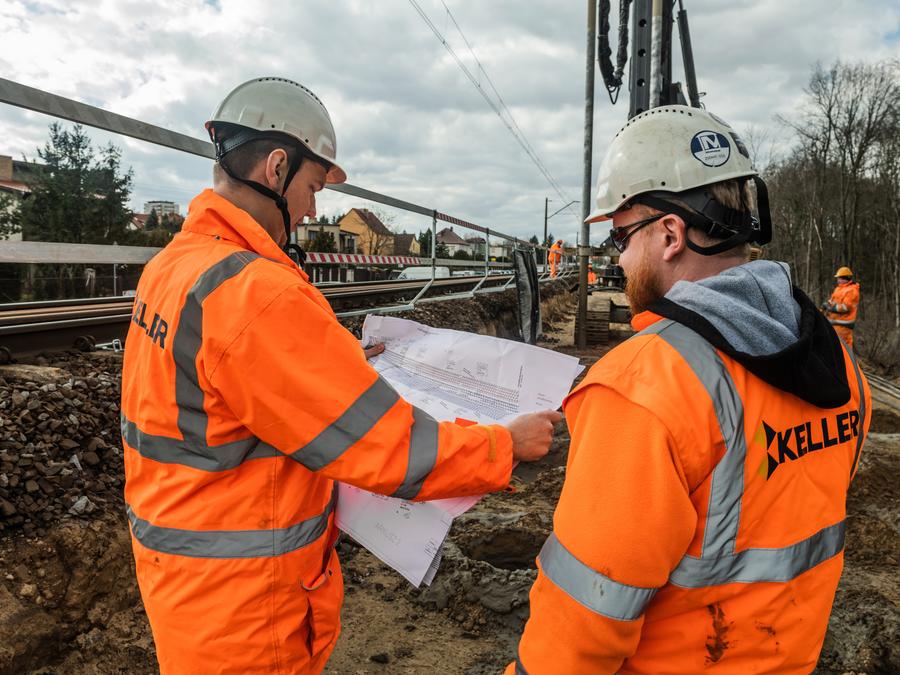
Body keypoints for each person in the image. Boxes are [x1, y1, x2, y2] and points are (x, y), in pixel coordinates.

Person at [120, 77, 561, 674]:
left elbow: (234, 389)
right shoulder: (258, 294)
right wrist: (505, 445)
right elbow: (389, 449)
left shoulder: (178, 265)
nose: (310, 209)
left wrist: (332, 366)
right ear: (276, 168)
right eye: (310, 187)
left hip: (183, 571)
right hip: (248, 605)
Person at [509, 106, 870, 674]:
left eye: (621, 236)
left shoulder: (642, 388)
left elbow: (580, 629)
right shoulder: (841, 369)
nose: (620, 258)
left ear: (671, 234)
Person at [823, 266, 860, 349]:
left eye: (839, 278)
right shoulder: (838, 289)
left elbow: (846, 307)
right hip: (834, 323)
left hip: (843, 325)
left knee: (843, 348)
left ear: (845, 278)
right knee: (833, 346)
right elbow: (832, 301)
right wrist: (826, 305)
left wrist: (832, 308)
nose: (838, 280)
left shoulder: (852, 291)